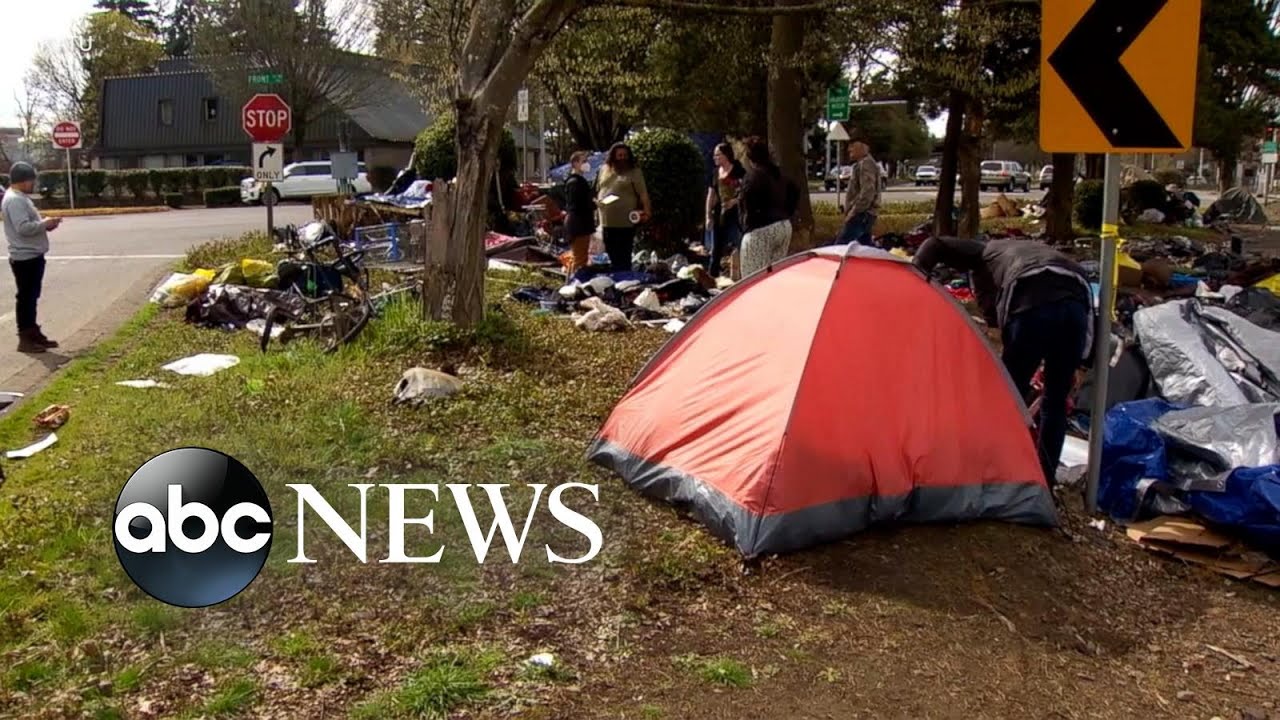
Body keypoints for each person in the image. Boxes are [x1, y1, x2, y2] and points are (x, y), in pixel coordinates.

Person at [913, 236, 1093, 489]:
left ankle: (992, 471)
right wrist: (1083, 362)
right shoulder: (1035, 252)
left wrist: (916, 279)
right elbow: (1090, 314)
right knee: (1055, 402)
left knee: (1006, 396)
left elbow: (934, 244)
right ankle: (1044, 482)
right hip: (1076, 308)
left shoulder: (984, 257)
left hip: (1031, 301)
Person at [2, 162, 61, 354]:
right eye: (31, 180)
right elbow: (23, 227)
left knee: (31, 297)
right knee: (26, 298)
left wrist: (45, 224)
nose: (33, 184)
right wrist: (45, 223)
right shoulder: (15, 200)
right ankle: (25, 338)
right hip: (24, 256)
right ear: (24, 180)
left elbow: (28, 224)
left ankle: (33, 331)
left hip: (31, 253)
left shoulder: (19, 198)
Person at [737, 136, 793, 277]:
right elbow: (794, 192)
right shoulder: (778, 174)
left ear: (749, 158)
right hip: (783, 226)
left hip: (761, 229)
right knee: (774, 276)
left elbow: (745, 204)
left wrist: (745, 227)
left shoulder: (752, 177)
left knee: (753, 278)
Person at [595, 143, 652, 272]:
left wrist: (647, 211)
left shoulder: (635, 172)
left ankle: (625, 277)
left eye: (625, 155)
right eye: (619, 155)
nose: (622, 158)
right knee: (610, 252)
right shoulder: (604, 169)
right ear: (613, 156)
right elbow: (599, 189)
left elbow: (643, 193)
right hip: (606, 221)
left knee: (624, 253)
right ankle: (616, 278)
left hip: (625, 222)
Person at [704, 143, 746, 278]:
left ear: (726, 155)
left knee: (739, 244)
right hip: (719, 215)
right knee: (716, 249)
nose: (714, 158)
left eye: (717, 155)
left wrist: (734, 201)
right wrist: (708, 216)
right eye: (714, 155)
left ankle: (742, 274)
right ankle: (712, 277)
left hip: (736, 216)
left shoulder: (739, 171)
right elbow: (711, 195)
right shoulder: (715, 173)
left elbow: (745, 192)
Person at [837, 139, 882, 246]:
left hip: (862, 214)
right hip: (864, 214)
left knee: (840, 246)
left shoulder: (866, 164)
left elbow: (867, 192)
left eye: (852, 146)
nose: (849, 149)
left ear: (863, 147)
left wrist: (854, 211)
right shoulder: (863, 164)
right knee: (865, 247)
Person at [562, 151, 597, 277]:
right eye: (583, 161)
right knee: (580, 259)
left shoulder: (577, 181)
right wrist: (594, 204)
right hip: (579, 224)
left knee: (578, 256)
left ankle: (573, 280)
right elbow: (577, 205)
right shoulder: (575, 183)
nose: (586, 164)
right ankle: (576, 283)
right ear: (575, 163)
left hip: (579, 223)